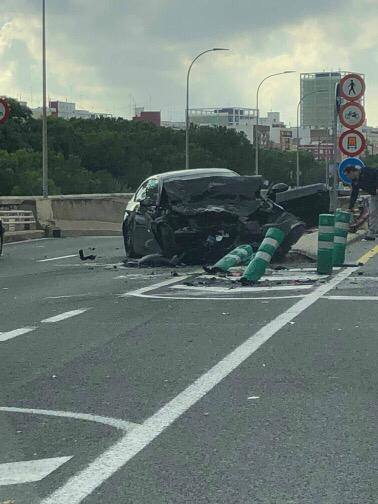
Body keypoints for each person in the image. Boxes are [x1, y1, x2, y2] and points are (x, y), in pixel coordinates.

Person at [344, 164, 378, 239]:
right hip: (374, 195)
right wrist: (350, 207)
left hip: (376, 190)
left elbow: (376, 173)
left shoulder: (365, 171)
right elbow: (354, 194)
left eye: (348, 175)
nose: (348, 177)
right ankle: (371, 233)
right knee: (373, 213)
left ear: (352, 172)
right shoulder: (355, 182)